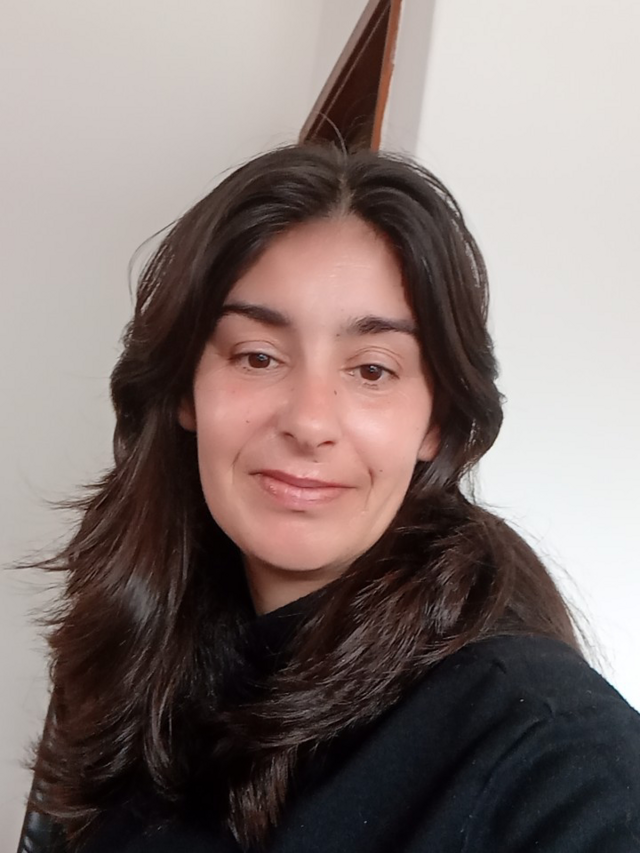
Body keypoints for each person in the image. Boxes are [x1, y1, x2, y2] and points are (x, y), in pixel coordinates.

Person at [20, 144, 640, 853]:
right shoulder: (129, 654)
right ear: (186, 389)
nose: (309, 421)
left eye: (373, 370)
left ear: (435, 421)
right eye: (258, 356)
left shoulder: (550, 753)